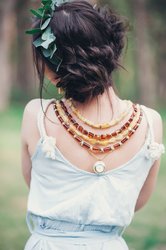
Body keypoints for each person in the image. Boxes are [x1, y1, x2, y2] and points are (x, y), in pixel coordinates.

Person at [21, 0, 165, 249]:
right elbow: (137, 200)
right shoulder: (151, 123)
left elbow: (36, 183)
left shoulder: (36, 115)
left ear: (55, 65)